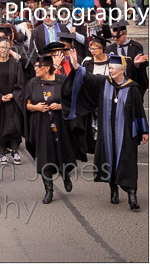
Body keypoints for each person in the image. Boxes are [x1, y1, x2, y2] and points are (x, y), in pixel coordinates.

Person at [62, 51, 148, 210]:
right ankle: (113, 190)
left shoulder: (132, 87)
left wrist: (144, 131)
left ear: (122, 69)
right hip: (107, 133)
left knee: (127, 163)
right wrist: (75, 65)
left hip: (126, 134)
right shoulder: (104, 83)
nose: (111, 71)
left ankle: (132, 195)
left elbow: (138, 111)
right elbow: (86, 77)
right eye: (109, 68)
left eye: (114, 68)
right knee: (109, 160)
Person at [24, 55, 76, 204]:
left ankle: (65, 174)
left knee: (63, 152)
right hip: (41, 125)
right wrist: (36, 107)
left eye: (37, 66)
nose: (34, 69)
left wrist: (60, 106)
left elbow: (72, 101)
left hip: (60, 124)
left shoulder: (62, 81)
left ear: (46, 67)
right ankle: (49, 190)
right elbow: (26, 104)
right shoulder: (33, 83)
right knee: (44, 156)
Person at [0, 37, 25, 165]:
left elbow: (20, 82)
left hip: (14, 100)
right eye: (2, 47)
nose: (4, 50)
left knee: (15, 125)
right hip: (0, 100)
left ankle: (14, 151)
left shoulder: (16, 64)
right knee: (1, 126)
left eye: (7, 47)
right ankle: (2, 152)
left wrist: (13, 95)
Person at [108, 20, 149, 99]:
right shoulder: (111, 49)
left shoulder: (136, 47)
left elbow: (142, 69)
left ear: (125, 34)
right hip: (117, 86)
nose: (115, 39)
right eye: (114, 37)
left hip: (133, 84)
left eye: (118, 36)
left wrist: (136, 64)